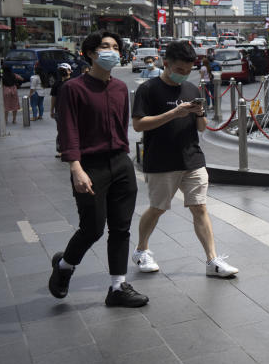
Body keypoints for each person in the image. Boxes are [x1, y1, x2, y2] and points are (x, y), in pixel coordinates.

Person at [49, 31, 148, 308]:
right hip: (89, 166)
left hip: (120, 162)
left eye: (116, 47)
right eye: (105, 47)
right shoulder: (73, 89)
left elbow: (121, 128)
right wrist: (76, 168)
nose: (112, 52)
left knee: (121, 228)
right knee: (92, 228)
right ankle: (65, 267)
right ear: (91, 53)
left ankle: (117, 287)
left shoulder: (119, 88)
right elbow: (68, 130)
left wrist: (127, 162)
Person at [131, 41, 239, 278]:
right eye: (179, 70)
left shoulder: (192, 89)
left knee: (200, 207)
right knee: (158, 208)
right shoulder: (148, 89)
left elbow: (201, 128)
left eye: (187, 70)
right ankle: (141, 250)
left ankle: (212, 260)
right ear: (166, 63)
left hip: (192, 158)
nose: (183, 75)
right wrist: (173, 113)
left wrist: (199, 113)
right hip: (161, 160)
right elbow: (138, 124)